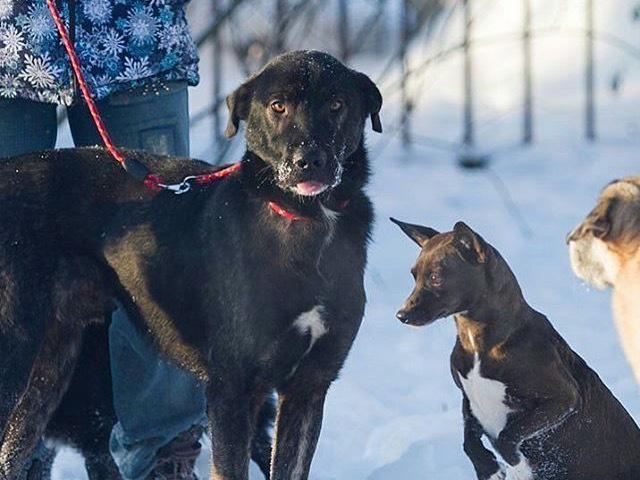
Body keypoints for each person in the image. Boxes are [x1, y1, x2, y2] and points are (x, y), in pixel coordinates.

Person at [0, 1, 208, 479]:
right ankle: (16, 454)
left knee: (163, 265)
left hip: (136, 39)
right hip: (9, 42)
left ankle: (161, 455)